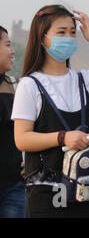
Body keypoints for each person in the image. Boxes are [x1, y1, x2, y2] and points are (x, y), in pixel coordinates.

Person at [12, 5, 89, 218]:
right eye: (61, 32)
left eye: (72, 32)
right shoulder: (29, 85)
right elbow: (22, 139)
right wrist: (63, 137)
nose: (68, 37)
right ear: (42, 38)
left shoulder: (82, 80)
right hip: (48, 193)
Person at [0, 26, 25, 218]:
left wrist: (31, 159)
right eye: (8, 45)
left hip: (13, 186)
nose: (13, 50)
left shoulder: (17, 87)